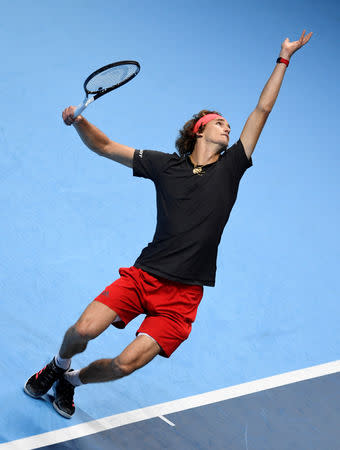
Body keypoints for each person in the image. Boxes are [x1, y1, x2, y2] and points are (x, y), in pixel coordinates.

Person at [24, 30, 312, 418]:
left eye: (229, 124)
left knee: (125, 364)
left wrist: (284, 58)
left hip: (183, 298)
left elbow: (261, 112)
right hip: (144, 276)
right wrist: (78, 122)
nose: (228, 128)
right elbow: (106, 146)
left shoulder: (231, 168)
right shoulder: (165, 165)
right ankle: (55, 366)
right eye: (220, 122)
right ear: (200, 130)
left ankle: (70, 382)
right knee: (84, 330)